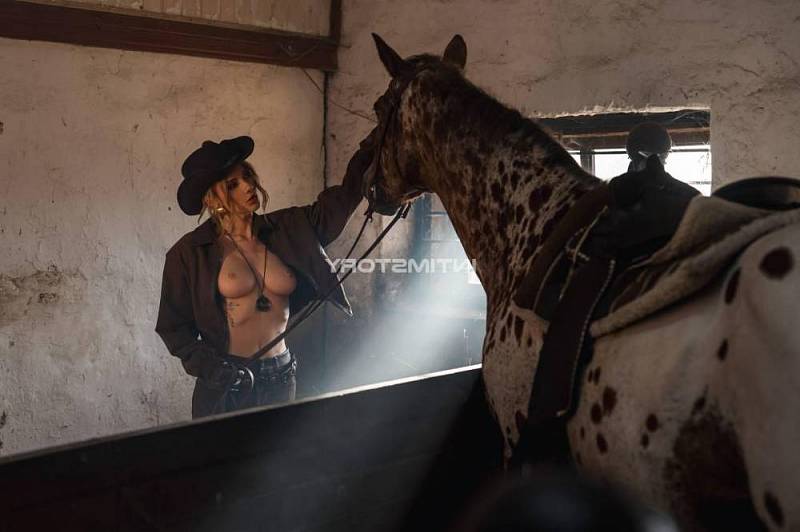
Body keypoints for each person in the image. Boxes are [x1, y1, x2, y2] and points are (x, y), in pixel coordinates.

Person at [155, 135, 370, 418]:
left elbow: (342, 201)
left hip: (281, 376)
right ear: (212, 198)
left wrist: (371, 149)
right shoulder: (189, 253)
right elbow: (173, 328)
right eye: (232, 185)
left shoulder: (288, 229)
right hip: (226, 385)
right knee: (221, 449)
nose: (248, 186)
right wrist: (215, 370)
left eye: (247, 176)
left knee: (279, 448)